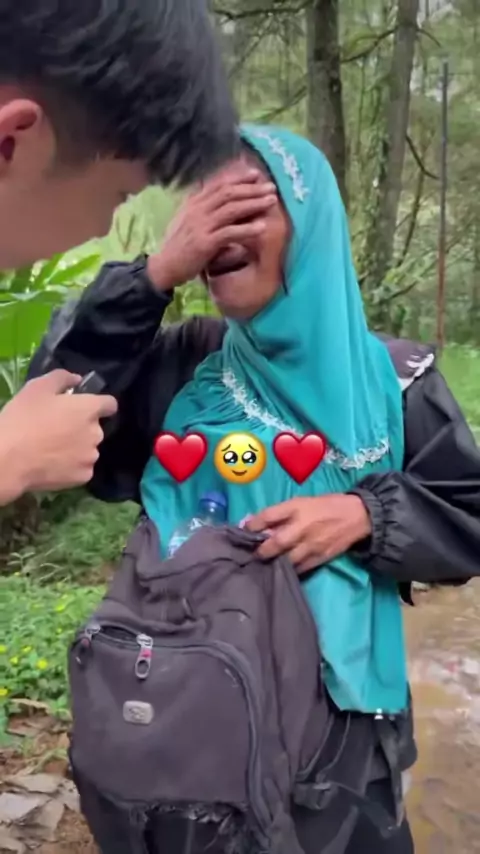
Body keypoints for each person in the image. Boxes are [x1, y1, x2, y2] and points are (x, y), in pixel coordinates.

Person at [29, 127, 480, 853]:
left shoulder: (399, 383)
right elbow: (50, 408)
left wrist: (364, 514)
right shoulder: (182, 366)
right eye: (206, 207)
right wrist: (152, 278)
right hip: (187, 736)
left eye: (248, 204)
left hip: (341, 758)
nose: (219, 228)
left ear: (312, 225)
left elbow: (469, 515)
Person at [0, 0, 239, 503]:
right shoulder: (184, 362)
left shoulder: (393, 375)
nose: (103, 227)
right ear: (10, 145)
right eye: (119, 195)